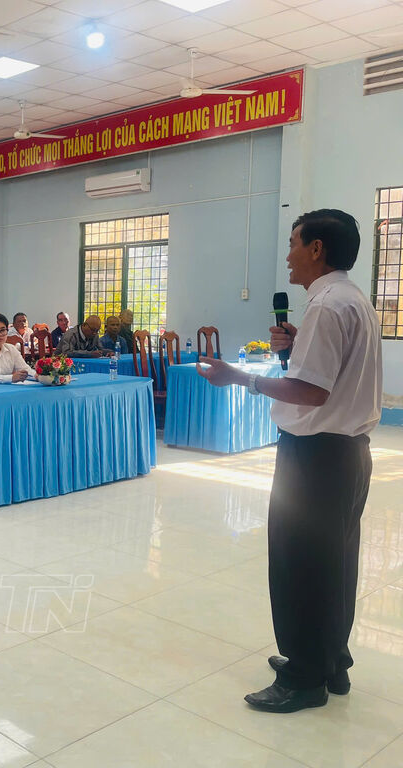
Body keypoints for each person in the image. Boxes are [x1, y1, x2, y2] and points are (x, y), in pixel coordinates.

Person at [197, 209, 381, 713]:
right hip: (347, 454)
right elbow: (335, 375)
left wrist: (241, 377)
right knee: (333, 564)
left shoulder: (327, 305)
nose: (288, 256)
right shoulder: (353, 299)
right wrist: (300, 345)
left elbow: (311, 392)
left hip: (316, 457)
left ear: (317, 248)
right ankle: (329, 661)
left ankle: (303, 679)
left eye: (294, 243)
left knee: (299, 565)